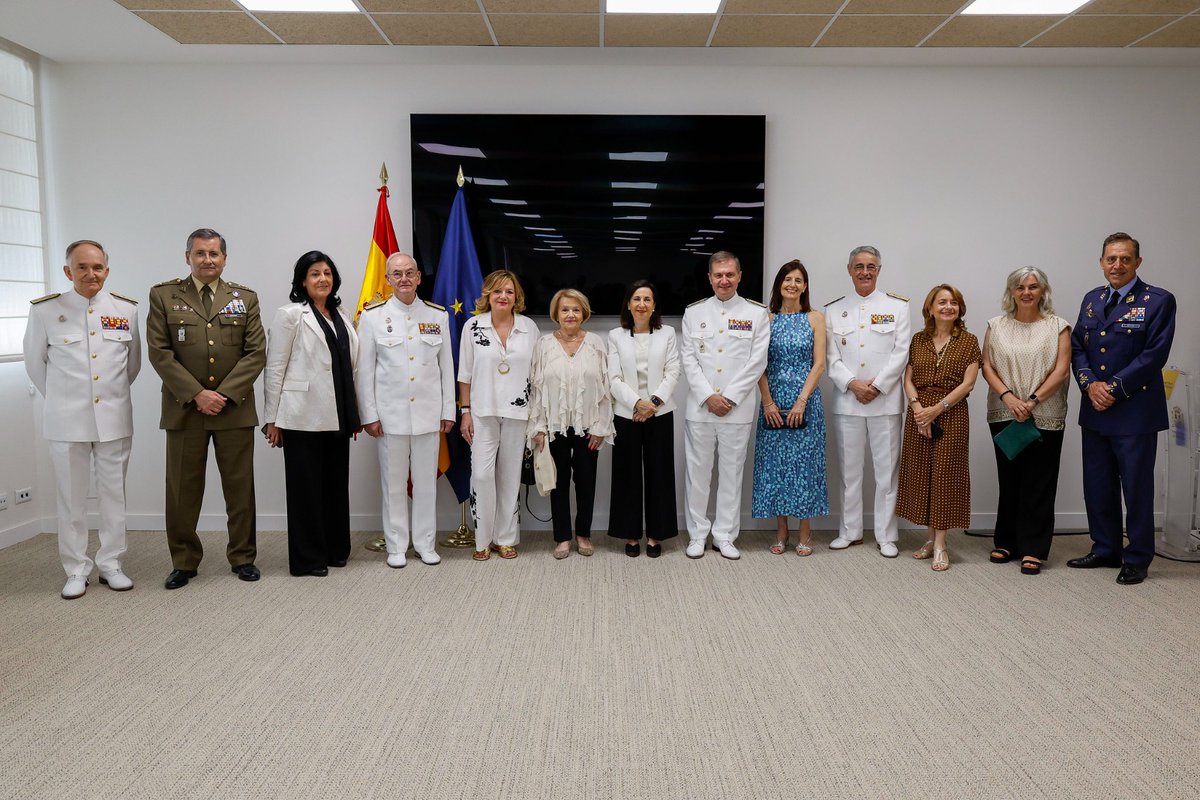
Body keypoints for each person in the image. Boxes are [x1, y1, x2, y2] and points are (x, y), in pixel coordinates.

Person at [147, 228, 266, 590]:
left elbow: (255, 352)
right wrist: (198, 393)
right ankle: (183, 561)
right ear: (188, 257)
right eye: (200, 254)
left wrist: (224, 394)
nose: (207, 260)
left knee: (239, 488)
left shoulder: (244, 297)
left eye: (214, 254)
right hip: (185, 409)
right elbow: (160, 352)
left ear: (224, 258)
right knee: (182, 490)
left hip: (234, 409)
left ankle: (243, 557)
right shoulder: (164, 296)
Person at [23, 240, 141, 599]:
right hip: (66, 420)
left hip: (114, 418)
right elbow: (35, 365)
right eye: (82, 267)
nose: (91, 274)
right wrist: (64, 401)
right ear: (67, 271)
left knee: (113, 496)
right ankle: (75, 569)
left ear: (107, 269)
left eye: (98, 267)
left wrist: (107, 400)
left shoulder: (126, 309)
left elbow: (131, 366)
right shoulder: (45, 311)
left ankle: (111, 564)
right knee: (71, 499)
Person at [1067, 232, 1177, 585]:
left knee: (1136, 487)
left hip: (1134, 411)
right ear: (1101, 262)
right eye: (1111, 259)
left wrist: (1112, 388)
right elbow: (1078, 346)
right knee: (1097, 485)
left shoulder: (1158, 300)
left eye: (1125, 259)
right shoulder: (1091, 299)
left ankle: (1138, 557)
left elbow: (1154, 355)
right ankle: (1104, 549)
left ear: (1137, 263)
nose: (1117, 265)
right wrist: (1089, 385)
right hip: (1096, 409)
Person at [263, 251, 360, 577]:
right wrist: (271, 419)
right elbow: (275, 367)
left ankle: (335, 549)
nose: (322, 279)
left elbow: (350, 367)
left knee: (335, 485)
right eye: (315, 274)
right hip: (300, 414)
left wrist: (354, 412)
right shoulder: (290, 314)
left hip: (337, 414)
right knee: (306, 490)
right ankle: (308, 559)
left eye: (327, 273)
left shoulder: (342, 314)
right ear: (303, 281)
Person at [356, 253, 455, 569]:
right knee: (393, 485)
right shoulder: (372, 318)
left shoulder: (437, 316)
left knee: (426, 484)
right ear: (387, 279)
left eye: (409, 273)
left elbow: (445, 366)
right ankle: (396, 546)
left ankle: (425, 544)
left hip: (428, 415)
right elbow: (365, 371)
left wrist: (448, 410)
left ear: (418, 278)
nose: (403, 279)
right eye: (396, 274)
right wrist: (369, 414)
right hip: (390, 416)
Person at [679, 251, 770, 560]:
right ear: (709, 277)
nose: (724, 280)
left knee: (732, 474)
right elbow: (689, 359)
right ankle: (697, 535)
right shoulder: (694, 312)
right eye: (718, 275)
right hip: (701, 408)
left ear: (740, 276)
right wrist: (709, 396)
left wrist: (728, 397)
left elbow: (757, 362)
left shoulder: (756, 313)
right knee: (698, 474)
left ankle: (725, 536)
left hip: (737, 409)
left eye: (730, 274)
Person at [981, 267, 1072, 575]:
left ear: (1043, 291)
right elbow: (987, 366)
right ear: (1011, 292)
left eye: (1033, 286)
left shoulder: (1058, 327)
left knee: (1040, 482)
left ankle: (1033, 547)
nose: (1027, 292)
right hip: (1004, 412)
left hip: (1045, 413)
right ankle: (1006, 541)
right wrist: (1009, 397)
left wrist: (1031, 402)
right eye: (1020, 287)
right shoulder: (996, 325)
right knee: (1010, 480)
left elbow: (1061, 371)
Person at [824, 245, 911, 558]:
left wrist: (877, 386)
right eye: (859, 266)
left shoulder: (897, 307)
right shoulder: (834, 309)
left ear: (879, 270)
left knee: (886, 473)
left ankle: (886, 535)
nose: (864, 272)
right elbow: (830, 357)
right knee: (850, 472)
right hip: (848, 401)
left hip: (884, 402)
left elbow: (901, 352)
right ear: (849, 270)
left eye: (870, 266)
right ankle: (850, 531)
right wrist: (852, 384)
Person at [896, 284, 981, 572]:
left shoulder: (969, 341)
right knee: (922, 474)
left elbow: (969, 383)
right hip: (919, 413)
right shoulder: (918, 340)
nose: (948, 307)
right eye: (942, 302)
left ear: (960, 309)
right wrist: (918, 409)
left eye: (953, 302)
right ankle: (930, 540)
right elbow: (907, 378)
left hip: (952, 413)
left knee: (945, 476)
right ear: (930, 308)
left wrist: (937, 409)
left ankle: (942, 545)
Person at [459, 270, 540, 561]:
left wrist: (538, 419)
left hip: (519, 412)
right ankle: (483, 539)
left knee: (509, 478)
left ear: (516, 296)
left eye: (508, 291)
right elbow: (465, 374)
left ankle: (505, 539)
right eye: (497, 292)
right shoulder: (472, 326)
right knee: (481, 475)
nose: (503, 296)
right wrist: (465, 411)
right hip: (482, 412)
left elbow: (537, 374)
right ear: (487, 296)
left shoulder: (529, 327)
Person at [528, 289, 614, 558]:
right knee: (559, 482)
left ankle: (584, 534)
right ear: (556, 314)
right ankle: (563, 537)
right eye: (565, 309)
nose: (570, 314)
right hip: (554, 428)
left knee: (586, 481)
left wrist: (601, 427)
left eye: (576, 309)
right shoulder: (543, 344)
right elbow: (536, 389)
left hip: (589, 426)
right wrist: (538, 426)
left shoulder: (596, 343)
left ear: (584, 313)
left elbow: (605, 389)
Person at [752, 260, 829, 556]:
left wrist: (801, 401)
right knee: (775, 467)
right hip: (772, 401)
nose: (792, 284)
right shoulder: (766, 319)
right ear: (779, 285)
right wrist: (768, 402)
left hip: (806, 402)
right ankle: (781, 529)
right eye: (787, 279)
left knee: (805, 467)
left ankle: (805, 531)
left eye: (798, 280)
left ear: (805, 286)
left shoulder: (815, 318)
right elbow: (758, 364)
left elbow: (819, 363)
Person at [607, 280, 681, 558]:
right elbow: (612, 378)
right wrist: (637, 403)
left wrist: (653, 403)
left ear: (654, 306)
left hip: (660, 413)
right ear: (628, 304)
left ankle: (655, 535)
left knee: (659, 474)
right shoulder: (615, 335)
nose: (641, 304)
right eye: (636, 299)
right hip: (626, 414)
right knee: (626, 475)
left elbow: (673, 371)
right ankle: (630, 534)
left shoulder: (667, 333)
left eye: (647, 299)